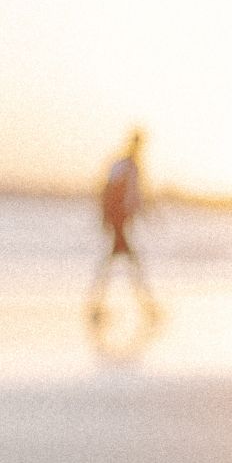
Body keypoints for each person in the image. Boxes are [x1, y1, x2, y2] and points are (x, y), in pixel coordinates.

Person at [86, 129, 159, 323]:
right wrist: (110, 217)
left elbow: (135, 195)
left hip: (121, 220)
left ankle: (97, 304)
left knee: (117, 262)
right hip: (119, 221)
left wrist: (147, 214)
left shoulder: (128, 165)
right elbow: (115, 192)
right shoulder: (126, 166)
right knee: (130, 262)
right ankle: (146, 306)